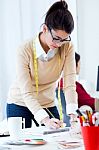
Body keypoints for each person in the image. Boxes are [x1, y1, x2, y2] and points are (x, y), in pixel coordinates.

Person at [7, 0, 78, 129]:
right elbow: (27, 92)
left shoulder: (67, 47)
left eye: (64, 39)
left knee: (57, 140)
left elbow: (69, 85)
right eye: (56, 38)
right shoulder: (25, 49)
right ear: (45, 29)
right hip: (20, 102)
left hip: (47, 103)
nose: (59, 44)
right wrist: (45, 119)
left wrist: (73, 115)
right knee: (22, 144)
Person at [56, 52, 99, 124]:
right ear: (73, 65)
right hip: (80, 122)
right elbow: (91, 103)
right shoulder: (73, 85)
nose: (80, 67)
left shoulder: (61, 83)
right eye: (79, 64)